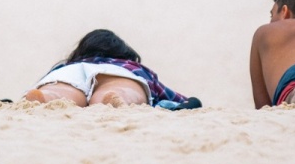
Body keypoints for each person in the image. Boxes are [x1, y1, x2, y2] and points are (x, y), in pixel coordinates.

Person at [24, 29, 190, 107]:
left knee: (61, 91)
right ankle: (115, 97)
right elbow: (179, 100)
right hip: (117, 73)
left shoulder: (66, 65)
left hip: (69, 73)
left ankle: (47, 97)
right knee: (121, 88)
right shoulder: (130, 66)